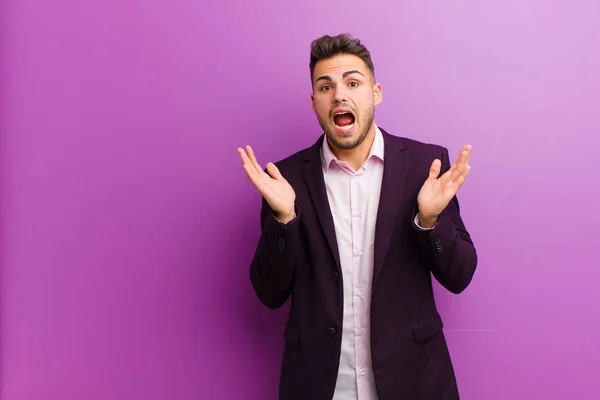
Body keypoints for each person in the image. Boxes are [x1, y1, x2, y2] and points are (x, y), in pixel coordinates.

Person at [237, 33, 477, 400]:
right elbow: (269, 293)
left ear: (376, 92)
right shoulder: (284, 179)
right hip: (321, 387)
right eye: (326, 86)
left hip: (413, 383)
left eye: (353, 82)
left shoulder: (424, 166)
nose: (339, 95)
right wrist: (284, 219)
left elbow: (460, 276)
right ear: (315, 103)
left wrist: (429, 221)